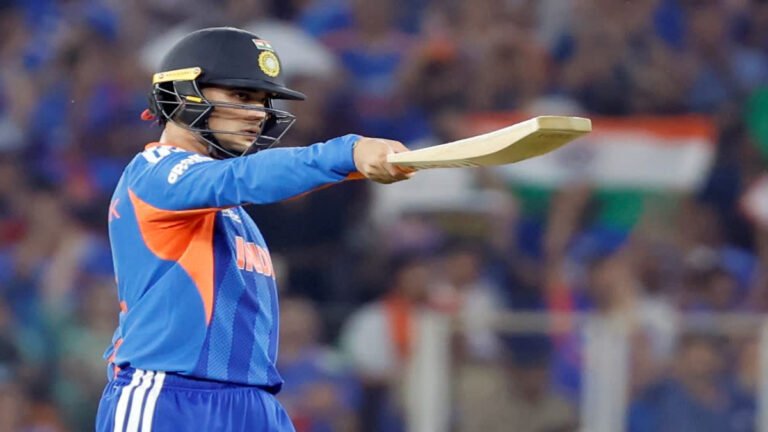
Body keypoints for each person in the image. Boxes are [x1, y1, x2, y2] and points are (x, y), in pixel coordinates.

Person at [95, 26, 412, 432]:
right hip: (168, 397)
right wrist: (348, 151)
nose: (258, 114)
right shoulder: (155, 173)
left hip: (253, 402)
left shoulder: (229, 209)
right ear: (184, 93)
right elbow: (246, 176)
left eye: (262, 102)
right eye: (242, 96)